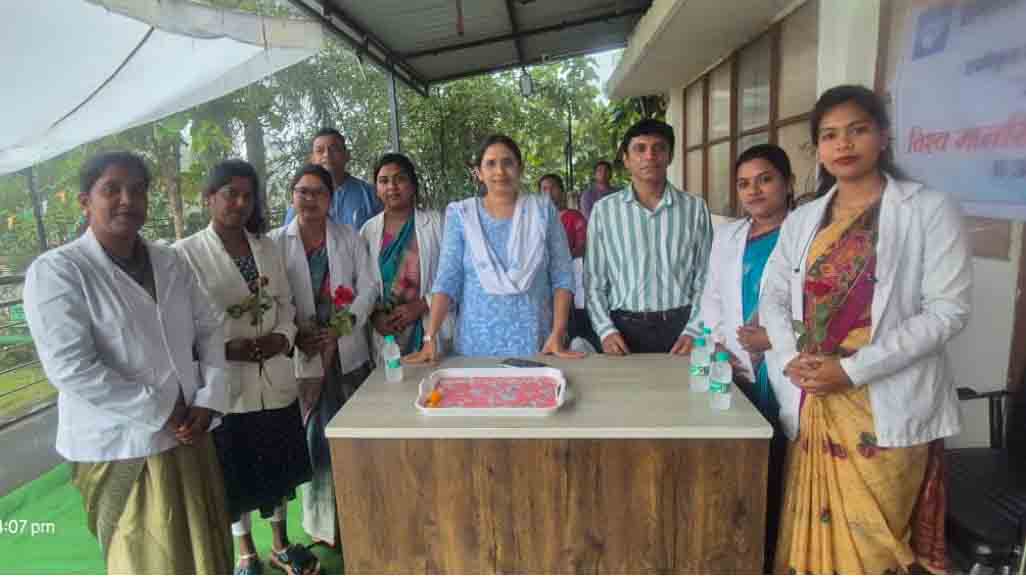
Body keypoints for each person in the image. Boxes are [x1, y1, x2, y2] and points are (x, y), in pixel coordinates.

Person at [760, 85, 972, 574]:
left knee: (876, 547)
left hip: (886, 404)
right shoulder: (804, 219)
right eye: (830, 135)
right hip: (815, 393)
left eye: (857, 130)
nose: (843, 144)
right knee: (812, 536)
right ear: (818, 148)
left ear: (883, 136)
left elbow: (948, 311)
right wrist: (791, 358)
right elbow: (773, 296)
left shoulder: (929, 209)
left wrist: (853, 370)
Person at [24, 152, 232, 574]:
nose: (127, 200)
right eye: (112, 190)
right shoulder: (59, 270)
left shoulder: (170, 260)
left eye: (138, 190)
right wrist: (163, 409)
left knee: (206, 550)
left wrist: (208, 399)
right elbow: (70, 367)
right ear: (85, 202)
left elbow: (210, 328)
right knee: (147, 561)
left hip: (191, 431)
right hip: (121, 445)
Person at [175, 160, 319, 575]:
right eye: (230, 194)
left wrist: (283, 338)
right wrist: (226, 349)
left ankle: (281, 544)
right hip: (227, 384)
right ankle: (246, 553)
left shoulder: (267, 247)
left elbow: (287, 305)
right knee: (234, 475)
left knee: (278, 469)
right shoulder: (184, 254)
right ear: (209, 198)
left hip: (274, 374)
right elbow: (183, 324)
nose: (239, 203)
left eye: (247, 196)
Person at [269, 163, 378, 548]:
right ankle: (323, 528)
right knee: (314, 443)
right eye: (302, 191)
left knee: (351, 437)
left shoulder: (349, 237)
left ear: (331, 199)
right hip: (303, 354)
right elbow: (271, 300)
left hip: (346, 351)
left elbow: (369, 287)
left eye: (318, 192)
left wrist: (344, 325)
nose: (309, 199)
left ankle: (359, 519)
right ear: (292, 195)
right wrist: (295, 332)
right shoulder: (275, 243)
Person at [697, 143, 794, 570]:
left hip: (785, 367)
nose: (754, 191)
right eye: (744, 184)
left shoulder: (806, 235)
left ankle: (777, 552)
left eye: (765, 179)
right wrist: (716, 343)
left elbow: (820, 309)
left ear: (788, 184)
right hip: (734, 367)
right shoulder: (728, 236)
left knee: (783, 463)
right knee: (740, 464)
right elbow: (712, 297)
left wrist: (774, 339)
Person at [405, 134, 582, 361]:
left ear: (520, 168)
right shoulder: (461, 215)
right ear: (479, 172)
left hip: (536, 345)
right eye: (490, 163)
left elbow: (563, 276)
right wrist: (430, 338)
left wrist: (558, 333)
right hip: (474, 349)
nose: (500, 171)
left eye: (508, 162)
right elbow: (447, 280)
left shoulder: (542, 212)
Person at [586, 119, 713, 355]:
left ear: (670, 156)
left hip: (682, 330)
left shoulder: (695, 209)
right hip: (623, 332)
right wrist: (605, 330)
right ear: (626, 159)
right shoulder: (604, 211)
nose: (649, 156)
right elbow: (594, 280)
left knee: (687, 382)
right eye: (640, 148)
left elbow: (706, 277)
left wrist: (694, 329)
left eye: (659, 148)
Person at [361, 153, 452, 357]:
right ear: (376, 189)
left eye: (400, 179)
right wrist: (375, 316)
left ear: (413, 185)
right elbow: (362, 283)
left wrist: (421, 305)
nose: (391, 187)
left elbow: (455, 276)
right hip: (387, 331)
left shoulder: (436, 223)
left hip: (429, 325)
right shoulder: (367, 231)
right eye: (383, 181)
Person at [540, 173, 598, 351]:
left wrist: (559, 261)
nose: (548, 192)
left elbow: (583, 246)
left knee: (570, 323)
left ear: (562, 191)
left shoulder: (574, 217)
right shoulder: (537, 220)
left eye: (553, 188)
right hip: (543, 280)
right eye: (544, 189)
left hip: (572, 276)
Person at [283, 128, 382, 230]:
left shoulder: (370, 195)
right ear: (312, 159)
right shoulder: (301, 201)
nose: (327, 155)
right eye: (320, 151)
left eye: (334, 149)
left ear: (347, 155)